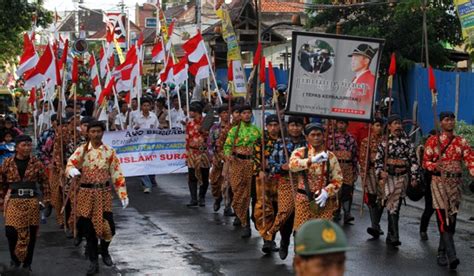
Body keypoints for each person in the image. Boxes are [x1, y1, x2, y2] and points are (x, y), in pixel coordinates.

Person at [65, 120, 129, 275]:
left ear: (102, 132)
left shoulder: (109, 151)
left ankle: (105, 250)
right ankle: (93, 262)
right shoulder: (82, 150)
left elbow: (116, 173)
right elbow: (70, 164)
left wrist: (122, 194)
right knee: (90, 230)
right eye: (92, 131)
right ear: (88, 133)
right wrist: (71, 170)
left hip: (104, 193)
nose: (95, 134)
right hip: (86, 194)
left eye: (98, 131)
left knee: (110, 228)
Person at [422, 111, 474, 270]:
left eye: (452, 120)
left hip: (455, 184)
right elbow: (426, 162)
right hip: (438, 182)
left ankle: (442, 250)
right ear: (441, 123)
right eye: (446, 120)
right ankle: (450, 255)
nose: (450, 122)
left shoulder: (461, 142)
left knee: (452, 218)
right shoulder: (433, 141)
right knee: (441, 216)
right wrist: (434, 166)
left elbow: (470, 160)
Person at [1, 135, 49, 271]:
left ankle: (27, 264)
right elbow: (1, 182)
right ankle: (14, 260)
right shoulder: (7, 163)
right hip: (13, 200)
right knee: (11, 232)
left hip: (31, 201)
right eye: (24, 145)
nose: (27, 148)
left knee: (31, 233)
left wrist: (47, 200)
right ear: (16, 147)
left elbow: (44, 181)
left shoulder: (37, 163)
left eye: (29, 145)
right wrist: (2, 198)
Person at [375, 114, 419, 247]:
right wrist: (380, 172)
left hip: (402, 177)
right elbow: (378, 161)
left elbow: (413, 161)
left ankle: (391, 235)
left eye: (399, 123)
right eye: (395, 123)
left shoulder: (408, 143)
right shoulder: (383, 143)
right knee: (392, 204)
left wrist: (414, 177)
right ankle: (393, 235)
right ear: (389, 126)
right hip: (389, 177)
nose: (398, 126)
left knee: (395, 205)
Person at [289, 123, 343, 231]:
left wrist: (327, 192)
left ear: (323, 136)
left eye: (319, 135)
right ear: (306, 137)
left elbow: (338, 179)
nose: (316, 138)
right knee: (301, 233)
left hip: (323, 201)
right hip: (303, 199)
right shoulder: (300, 152)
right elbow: (292, 166)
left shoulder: (330, 156)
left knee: (322, 235)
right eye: (312, 135)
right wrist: (311, 160)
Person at [267, 116, 306, 260]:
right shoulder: (280, 142)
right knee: (285, 214)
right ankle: (284, 240)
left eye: (298, 125)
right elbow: (271, 163)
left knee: (301, 216)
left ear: (302, 127)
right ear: (288, 127)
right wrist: (281, 167)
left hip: (304, 182)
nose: (295, 128)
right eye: (292, 125)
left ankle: (298, 245)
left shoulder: (307, 143)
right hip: (285, 182)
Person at [224, 104, 261, 238]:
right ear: (240, 115)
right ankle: (243, 220)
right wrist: (228, 155)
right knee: (239, 194)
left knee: (252, 194)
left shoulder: (256, 131)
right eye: (244, 113)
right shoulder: (234, 130)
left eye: (248, 113)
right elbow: (227, 146)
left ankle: (250, 220)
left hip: (252, 165)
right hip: (237, 164)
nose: (246, 115)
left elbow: (261, 148)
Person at [253, 114, 281, 253]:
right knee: (264, 209)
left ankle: (273, 238)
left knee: (277, 209)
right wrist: (260, 170)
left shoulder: (283, 140)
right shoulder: (261, 140)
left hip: (280, 179)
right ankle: (267, 239)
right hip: (265, 178)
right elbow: (256, 157)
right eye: (270, 125)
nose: (273, 128)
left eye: (276, 125)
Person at [328, 119, 358, 224]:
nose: (341, 125)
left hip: (347, 166)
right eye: (340, 123)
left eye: (343, 123)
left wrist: (355, 169)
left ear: (347, 125)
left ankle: (347, 213)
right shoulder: (330, 138)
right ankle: (335, 210)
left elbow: (355, 155)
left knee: (347, 189)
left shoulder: (351, 139)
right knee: (335, 189)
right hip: (335, 166)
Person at [359, 118, 384, 238]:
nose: (379, 128)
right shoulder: (366, 141)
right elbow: (363, 159)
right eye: (377, 125)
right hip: (372, 171)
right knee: (371, 198)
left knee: (383, 199)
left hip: (384, 172)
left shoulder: (386, 141)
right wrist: (363, 176)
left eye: (381, 125)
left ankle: (376, 223)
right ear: (372, 126)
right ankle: (375, 225)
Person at [185, 102, 210, 207]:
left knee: (204, 176)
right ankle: (193, 199)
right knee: (192, 176)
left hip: (203, 152)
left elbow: (210, 138)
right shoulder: (189, 124)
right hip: (192, 152)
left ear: (197, 112)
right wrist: (186, 155)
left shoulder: (207, 123)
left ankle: (202, 197)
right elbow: (187, 139)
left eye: (191, 111)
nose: (189, 113)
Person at [208, 105, 231, 212]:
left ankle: (228, 206)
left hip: (229, 159)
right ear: (220, 114)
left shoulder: (233, 128)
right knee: (215, 182)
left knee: (228, 183)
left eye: (227, 112)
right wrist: (211, 156)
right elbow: (209, 143)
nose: (226, 115)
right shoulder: (215, 128)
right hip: (217, 158)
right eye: (223, 112)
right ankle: (217, 198)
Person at [418, 129, 437, 241]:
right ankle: (423, 230)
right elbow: (424, 165)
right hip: (430, 182)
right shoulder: (425, 150)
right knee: (429, 208)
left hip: (443, 184)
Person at [346, 43, 377, 110]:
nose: (352, 62)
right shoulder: (355, 78)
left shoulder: (371, 79)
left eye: (356, 58)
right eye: (352, 58)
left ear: (366, 61)